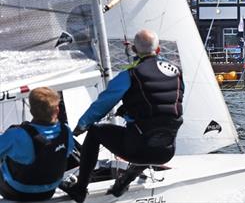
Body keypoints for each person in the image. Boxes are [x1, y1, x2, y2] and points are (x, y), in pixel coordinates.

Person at [61, 29, 184, 202]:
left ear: (134, 50)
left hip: (138, 149)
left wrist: (81, 126)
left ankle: (80, 189)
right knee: (151, 130)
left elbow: (101, 105)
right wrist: (129, 111)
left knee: (96, 132)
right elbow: (163, 107)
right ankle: (125, 180)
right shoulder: (177, 73)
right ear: (159, 50)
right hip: (167, 151)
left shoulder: (130, 75)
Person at [0, 87, 74, 201]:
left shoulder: (15, 135)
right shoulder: (66, 132)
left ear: (31, 111)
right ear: (57, 110)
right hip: (49, 191)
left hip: (17, 192)